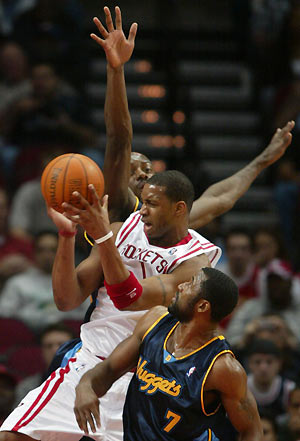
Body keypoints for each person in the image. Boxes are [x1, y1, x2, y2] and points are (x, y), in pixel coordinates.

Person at [0, 170, 220, 441]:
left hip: (145, 384)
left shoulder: (196, 262)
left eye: (151, 204)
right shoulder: (121, 230)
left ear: (179, 208)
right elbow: (66, 300)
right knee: (12, 436)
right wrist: (67, 236)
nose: (142, 211)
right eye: (142, 201)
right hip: (90, 363)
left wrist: (103, 237)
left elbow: (131, 298)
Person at [93, 6, 295, 228]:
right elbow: (119, 139)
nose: (142, 175)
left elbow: (219, 198)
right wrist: (116, 69)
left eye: (147, 170)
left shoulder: (170, 222)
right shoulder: (119, 209)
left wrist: (263, 159)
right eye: (132, 171)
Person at [73, 267, 263, 440]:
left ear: (203, 306)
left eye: (191, 283)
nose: (180, 285)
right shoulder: (155, 320)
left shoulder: (222, 367)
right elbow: (109, 369)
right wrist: (85, 387)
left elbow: (252, 430)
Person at [0, 230, 89, 331]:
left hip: (68, 337)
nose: (47, 256)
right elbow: (5, 318)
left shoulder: (77, 281)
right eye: (41, 250)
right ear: (33, 253)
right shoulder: (17, 283)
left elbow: (88, 314)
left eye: (52, 250)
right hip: (29, 340)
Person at [14, 322, 75, 406]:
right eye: (48, 346)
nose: (55, 350)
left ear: (75, 349)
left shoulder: (88, 381)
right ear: (42, 352)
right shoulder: (27, 387)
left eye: (61, 345)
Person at [246, 339, 295, 418]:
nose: (263, 368)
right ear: (249, 364)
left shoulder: (289, 389)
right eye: (257, 362)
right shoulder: (241, 388)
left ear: (279, 364)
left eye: (269, 362)